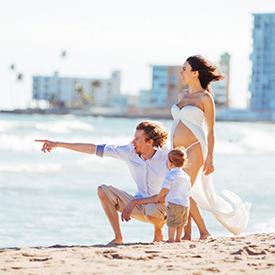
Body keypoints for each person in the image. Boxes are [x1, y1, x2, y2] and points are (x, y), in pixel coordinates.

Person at [35, 120, 170, 244]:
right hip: (139, 206)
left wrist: (134, 201)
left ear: (150, 142)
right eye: (134, 137)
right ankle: (118, 238)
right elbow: (93, 148)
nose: (133, 141)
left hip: (160, 207)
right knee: (103, 190)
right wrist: (59, 144)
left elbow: (171, 193)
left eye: (137, 139)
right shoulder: (128, 151)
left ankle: (159, 229)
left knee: (152, 211)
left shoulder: (166, 158)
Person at [171, 55, 250, 240]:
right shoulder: (181, 95)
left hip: (195, 147)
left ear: (195, 73)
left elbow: (211, 131)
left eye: (185, 69)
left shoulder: (206, 98)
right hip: (176, 150)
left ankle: (204, 232)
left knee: (182, 189)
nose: (181, 73)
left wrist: (210, 158)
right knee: (181, 190)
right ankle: (187, 234)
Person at [156, 146, 191, 243]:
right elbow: (189, 189)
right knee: (180, 223)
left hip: (174, 202)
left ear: (170, 163)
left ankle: (171, 239)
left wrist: (159, 196)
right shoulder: (186, 176)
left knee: (171, 223)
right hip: (185, 203)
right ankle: (178, 238)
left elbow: (165, 188)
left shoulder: (170, 175)